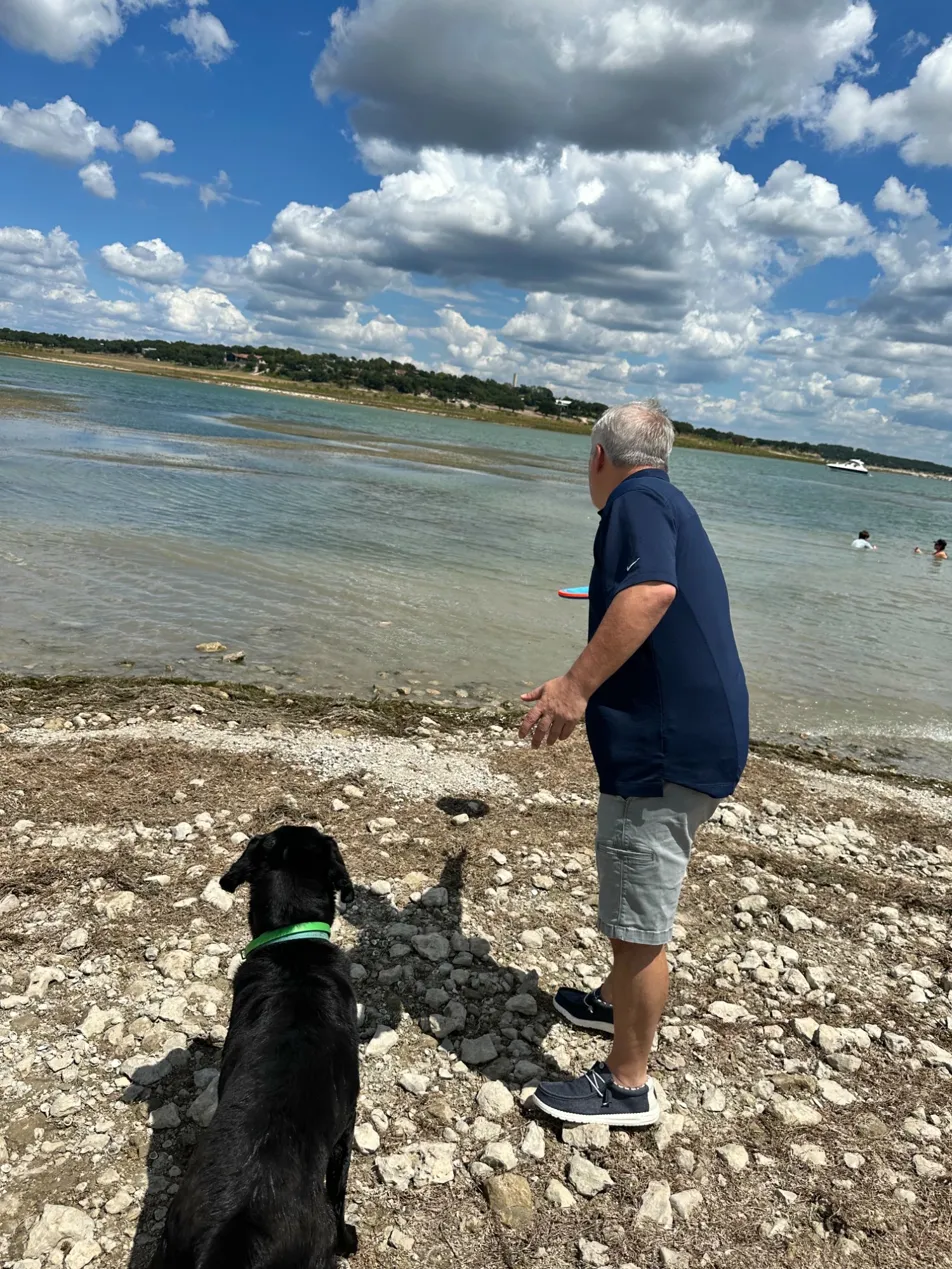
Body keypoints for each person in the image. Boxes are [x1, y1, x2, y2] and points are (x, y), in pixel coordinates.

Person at [519, 400, 748, 1128]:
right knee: (635, 897)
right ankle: (614, 1002)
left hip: (663, 751)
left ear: (597, 457)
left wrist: (573, 687)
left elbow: (652, 591)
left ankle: (627, 1082)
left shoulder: (635, 498)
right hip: (695, 736)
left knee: (639, 917)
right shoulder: (668, 499)